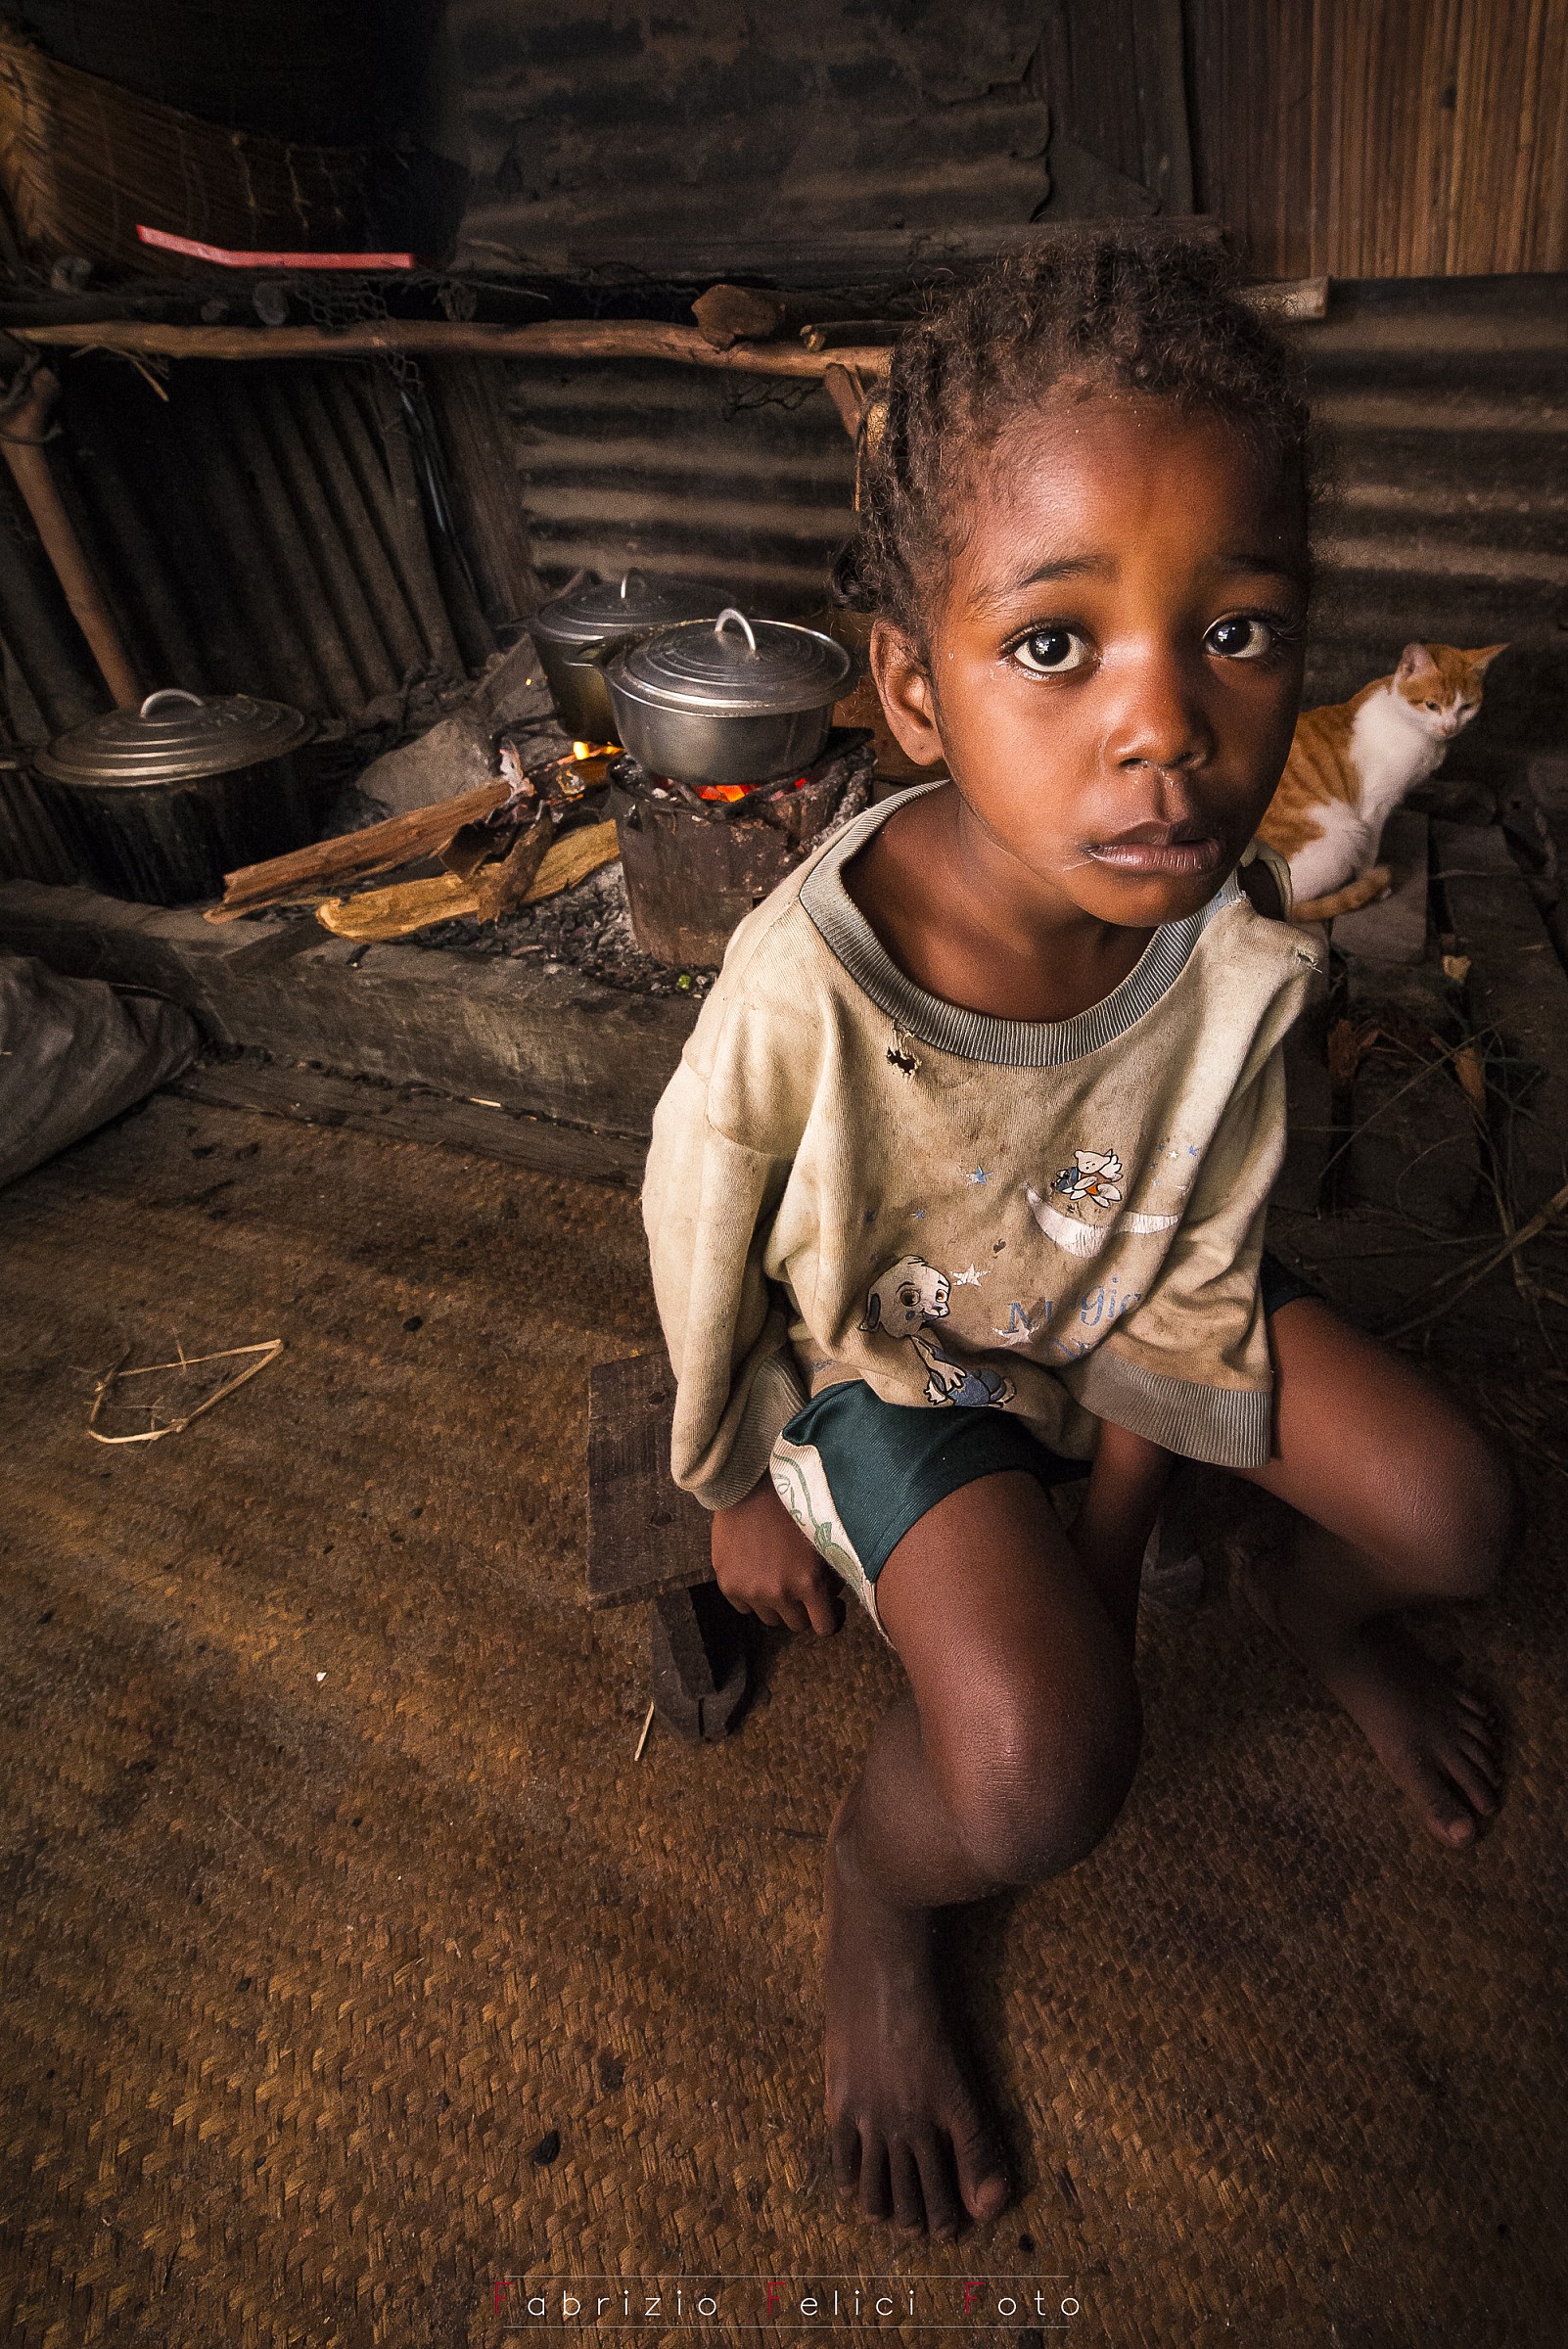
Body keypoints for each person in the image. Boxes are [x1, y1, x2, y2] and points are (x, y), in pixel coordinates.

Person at [640, 234, 1512, 2241]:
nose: (1166, 729)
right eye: (1054, 644)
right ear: (910, 688)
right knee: (1037, 1777)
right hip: (895, 1351)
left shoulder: (1230, 940)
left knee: (1457, 1517)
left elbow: (1188, 1254)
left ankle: (1311, 1603)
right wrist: (726, 1483)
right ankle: (876, 1900)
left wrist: (1123, 1532)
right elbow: (706, 1236)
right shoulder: (802, 995)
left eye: (1238, 632)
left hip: (1115, 1291)